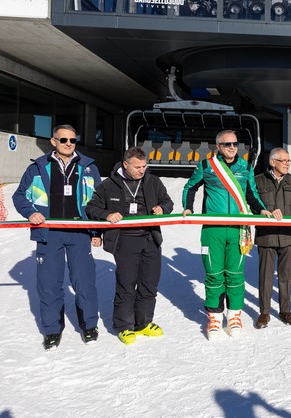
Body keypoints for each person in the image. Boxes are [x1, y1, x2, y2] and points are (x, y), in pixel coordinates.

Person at [12, 124, 102, 350]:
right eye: (63, 140)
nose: (69, 144)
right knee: (49, 283)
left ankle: (89, 325)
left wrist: (96, 231)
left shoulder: (88, 167)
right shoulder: (38, 167)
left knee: (84, 281)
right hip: (49, 232)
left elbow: (99, 201)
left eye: (72, 140)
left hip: (79, 231)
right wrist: (31, 212)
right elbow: (20, 195)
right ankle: (52, 329)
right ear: (53, 141)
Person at [182, 130, 269, 339]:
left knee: (235, 274)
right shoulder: (207, 165)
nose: (232, 148)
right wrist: (188, 207)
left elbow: (251, 194)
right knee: (214, 274)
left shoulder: (246, 167)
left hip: (239, 228)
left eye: (235, 144)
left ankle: (234, 316)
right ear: (218, 146)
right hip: (213, 229)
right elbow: (190, 187)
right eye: (227, 144)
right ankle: (214, 317)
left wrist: (261, 209)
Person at [85, 147, 174, 344]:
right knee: (126, 285)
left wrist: (162, 208)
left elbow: (168, 202)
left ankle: (143, 322)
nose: (142, 170)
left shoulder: (153, 182)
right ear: (125, 165)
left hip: (150, 239)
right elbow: (91, 208)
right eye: (137, 167)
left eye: (144, 166)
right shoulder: (108, 185)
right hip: (125, 241)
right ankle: (124, 326)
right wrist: (107, 215)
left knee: (149, 284)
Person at [253, 148, 291, 329]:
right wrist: (265, 211)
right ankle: (264, 312)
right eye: (284, 160)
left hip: (289, 236)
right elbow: (253, 204)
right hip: (266, 236)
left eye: (289, 161)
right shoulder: (258, 181)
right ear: (273, 162)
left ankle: (285, 311)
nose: (288, 164)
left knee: (286, 276)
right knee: (265, 276)